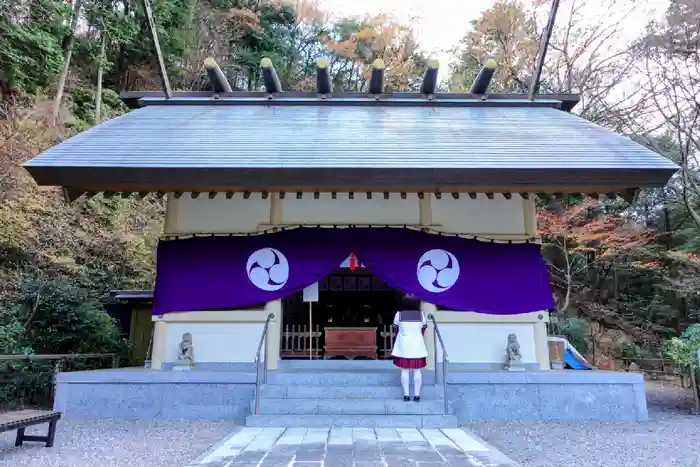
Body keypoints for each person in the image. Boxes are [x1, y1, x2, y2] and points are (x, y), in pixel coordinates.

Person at [391, 294, 428, 402]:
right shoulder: (421, 315)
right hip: (417, 346)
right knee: (417, 371)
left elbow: (396, 329)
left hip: (404, 346)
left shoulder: (399, 315)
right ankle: (417, 395)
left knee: (405, 370)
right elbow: (423, 329)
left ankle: (406, 395)